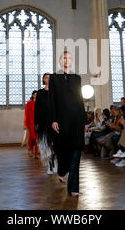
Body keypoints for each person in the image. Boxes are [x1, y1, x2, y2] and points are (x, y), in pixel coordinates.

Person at [49, 51, 87, 196]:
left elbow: (80, 99)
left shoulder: (77, 78)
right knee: (63, 150)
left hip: (76, 120)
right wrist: (53, 119)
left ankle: (74, 188)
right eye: (64, 58)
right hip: (62, 120)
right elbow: (52, 100)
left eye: (69, 58)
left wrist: (84, 120)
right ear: (60, 61)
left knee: (76, 152)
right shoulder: (54, 78)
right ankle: (62, 170)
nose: (67, 60)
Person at [35, 73, 57, 174]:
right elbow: (37, 109)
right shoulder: (39, 92)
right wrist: (36, 122)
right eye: (46, 77)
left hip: (54, 122)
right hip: (43, 122)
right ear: (43, 79)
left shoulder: (56, 92)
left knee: (55, 144)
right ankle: (50, 165)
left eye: (49, 77)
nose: (48, 79)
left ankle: (55, 163)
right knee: (46, 145)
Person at [25, 91, 39, 158]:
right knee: (31, 137)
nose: (36, 96)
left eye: (37, 95)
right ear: (32, 95)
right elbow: (27, 114)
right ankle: (30, 150)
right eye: (35, 94)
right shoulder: (29, 103)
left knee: (37, 138)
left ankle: (36, 153)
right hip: (31, 122)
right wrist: (27, 124)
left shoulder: (39, 103)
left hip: (38, 122)